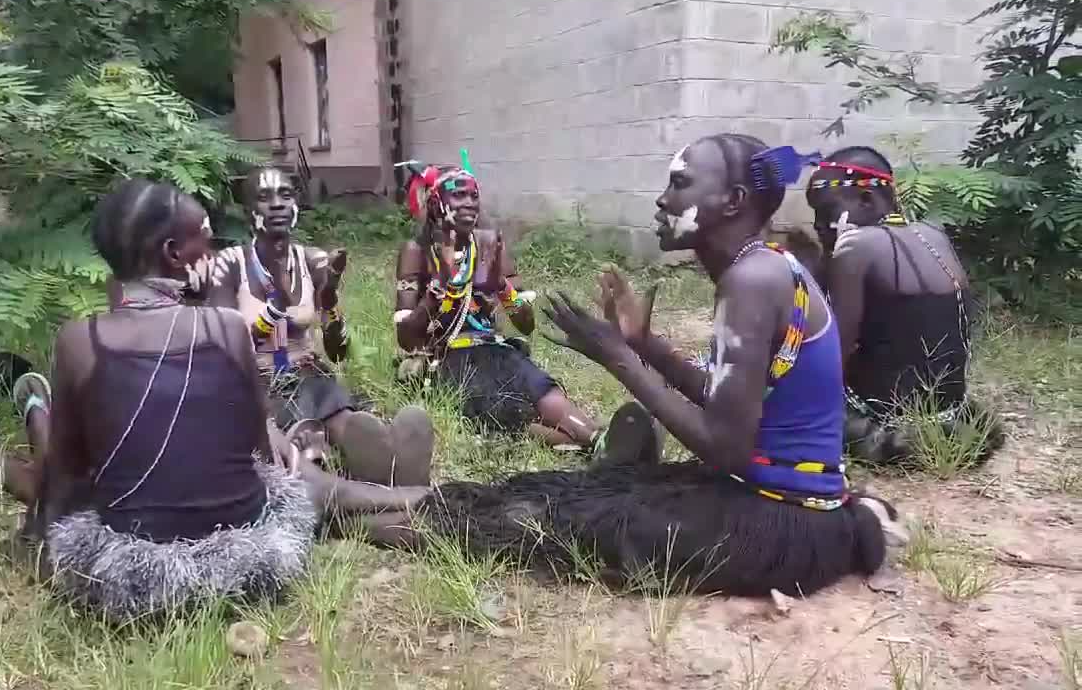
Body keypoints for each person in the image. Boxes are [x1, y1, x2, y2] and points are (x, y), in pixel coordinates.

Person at [396, 136, 909, 597]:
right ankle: (372, 500)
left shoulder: (752, 280)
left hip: (783, 519)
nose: (664, 199)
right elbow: (728, 397)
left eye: (681, 184)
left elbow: (725, 446)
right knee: (584, 493)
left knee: (568, 521)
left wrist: (620, 358)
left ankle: (356, 509)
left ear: (733, 202)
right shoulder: (764, 267)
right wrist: (645, 344)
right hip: (780, 499)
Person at [0, 179, 430, 619]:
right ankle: (427, 501)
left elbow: (69, 477)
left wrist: (41, 534)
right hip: (247, 552)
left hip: (134, 570)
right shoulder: (224, 327)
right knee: (303, 480)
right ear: (174, 252)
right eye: (205, 234)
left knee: (64, 465)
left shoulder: (80, 341)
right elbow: (261, 456)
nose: (213, 245)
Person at [194, 166, 435, 484]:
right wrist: (274, 312)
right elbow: (222, 342)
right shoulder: (231, 264)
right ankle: (356, 472)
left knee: (342, 419)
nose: (278, 204)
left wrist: (330, 300)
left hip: (309, 375)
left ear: (296, 205)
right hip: (257, 383)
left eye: (286, 195)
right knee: (301, 433)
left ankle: (388, 462)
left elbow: (337, 352)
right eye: (265, 197)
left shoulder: (312, 261)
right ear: (247, 209)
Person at [806, 146, 1002, 465]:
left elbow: (833, 352)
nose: (818, 224)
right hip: (951, 414)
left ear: (866, 200)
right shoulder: (934, 234)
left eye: (826, 212)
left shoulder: (856, 245)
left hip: (884, 421)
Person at [392, 160, 604, 450]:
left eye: (474, 196)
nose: (469, 203)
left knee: (542, 390)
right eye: (459, 195)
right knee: (503, 411)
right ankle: (589, 442)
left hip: (497, 351)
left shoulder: (491, 247)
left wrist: (501, 287)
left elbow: (526, 324)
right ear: (435, 203)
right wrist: (440, 286)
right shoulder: (417, 252)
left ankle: (597, 439)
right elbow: (406, 338)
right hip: (446, 360)